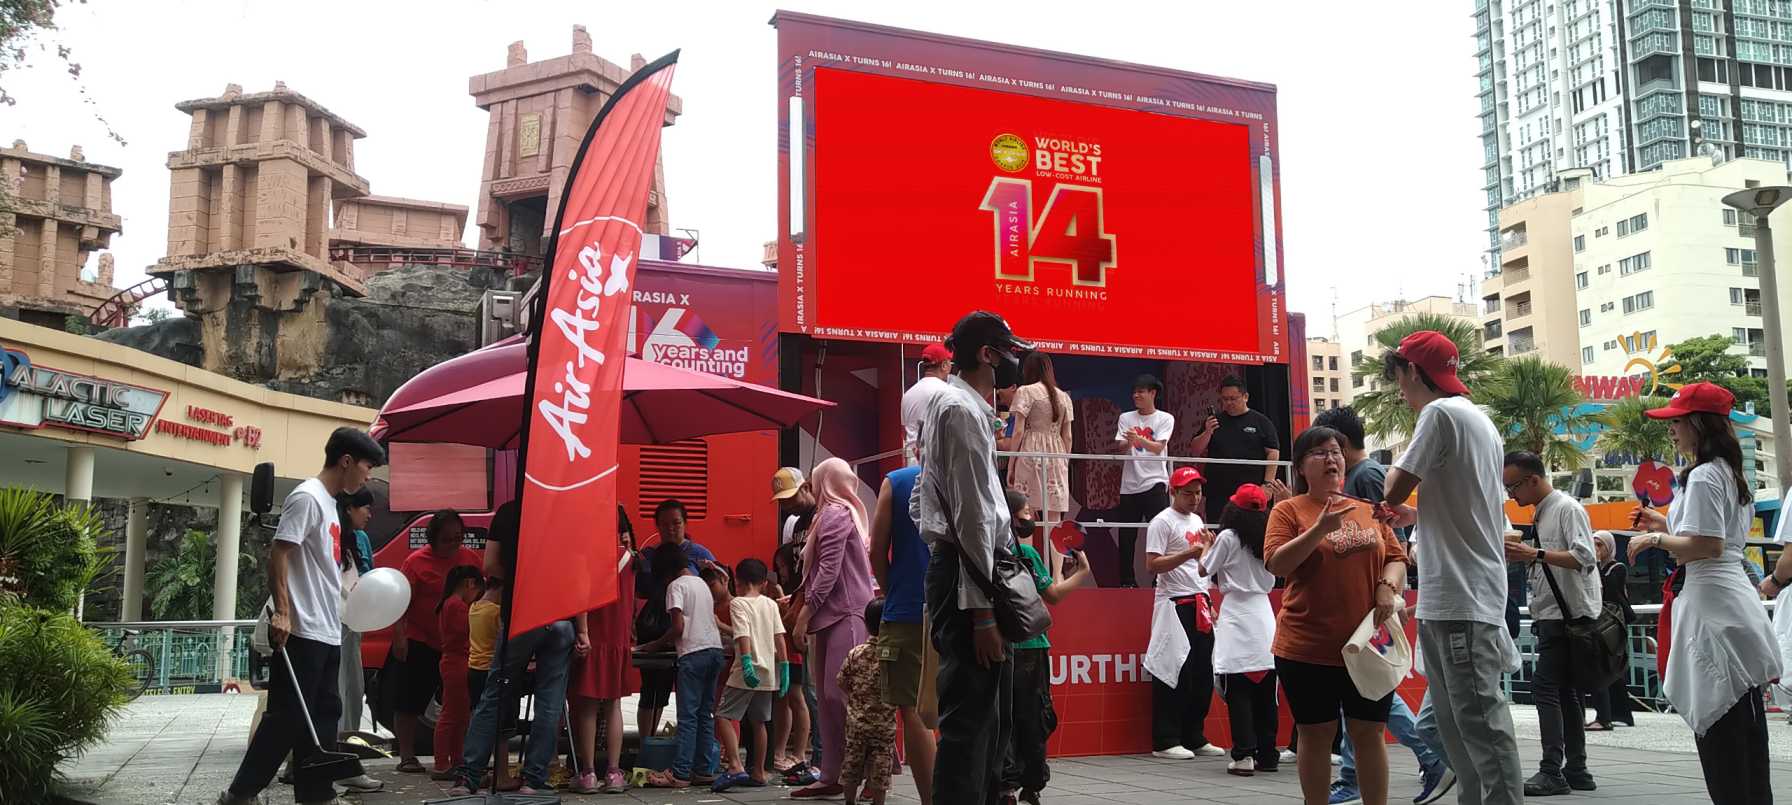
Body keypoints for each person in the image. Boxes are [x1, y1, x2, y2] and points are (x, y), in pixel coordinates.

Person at [1379, 331, 1524, 805]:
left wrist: (1397, 491)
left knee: (1477, 725)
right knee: (1461, 726)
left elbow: (1393, 488)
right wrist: (1420, 515)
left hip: (1461, 595)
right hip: (1461, 593)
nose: (1398, 388)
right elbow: (1475, 507)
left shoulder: (1438, 414)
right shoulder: (1478, 420)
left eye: (1399, 375)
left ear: (1413, 372)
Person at [1627, 382, 1780, 804]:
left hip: (1712, 603)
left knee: (1721, 727)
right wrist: (1665, 525)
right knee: (1743, 734)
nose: (1672, 429)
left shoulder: (1704, 475)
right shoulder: (1727, 472)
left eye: (1677, 421)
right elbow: (1718, 542)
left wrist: (1654, 541)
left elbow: (1707, 546)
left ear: (1697, 423)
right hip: (1729, 600)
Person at [216, 427, 384, 805]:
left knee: (324, 718)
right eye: (367, 466)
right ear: (345, 461)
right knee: (287, 719)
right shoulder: (307, 498)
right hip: (302, 629)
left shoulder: (331, 504)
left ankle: (316, 794)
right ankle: (240, 794)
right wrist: (284, 613)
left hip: (327, 629)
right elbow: (279, 553)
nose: (368, 475)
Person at [911, 310, 1031, 805]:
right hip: (972, 581)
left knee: (990, 723)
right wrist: (982, 609)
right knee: (971, 727)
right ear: (988, 354)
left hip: (967, 574)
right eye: (1009, 353)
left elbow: (925, 500)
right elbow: (974, 519)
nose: (1013, 363)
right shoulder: (959, 411)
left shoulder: (959, 409)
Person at [1314, 406, 1453, 805]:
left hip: (1373, 597)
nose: (1325, 457)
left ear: (1339, 442)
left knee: (1372, 688)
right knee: (1362, 687)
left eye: (1327, 447)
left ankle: (1427, 758)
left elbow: (1385, 538)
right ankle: (1354, 776)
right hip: (1364, 596)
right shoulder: (1358, 476)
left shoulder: (1369, 476)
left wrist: (1384, 589)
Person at [1264, 425, 1408, 805]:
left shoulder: (1366, 508)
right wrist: (1320, 529)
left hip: (1366, 646)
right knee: (1316, 734)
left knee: (1369, 732)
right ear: (1299, 467)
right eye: (1319, 453)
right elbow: (1277, 564)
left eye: (1336, 452)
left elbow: (1396, 558)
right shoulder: (1288, 510)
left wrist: (1387, 587)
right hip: (1307, 648)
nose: (1331, 459)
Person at [446, 501, 577, 797]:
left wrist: (521, 581)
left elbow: (490, 565)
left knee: (495, 694)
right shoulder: (567, 506)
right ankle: (534, 780)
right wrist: (581, 629)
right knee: (550, 702)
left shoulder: (510, 511)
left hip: (523, 615)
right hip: (562, 617)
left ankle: (469, 776)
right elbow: (579, 570)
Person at [1497, 451, 1600, 796]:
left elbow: (1586, 557)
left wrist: (1534, 554)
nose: (1511, 495)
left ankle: (1552, 769)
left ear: (1534, 480)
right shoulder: (1543, 512)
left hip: (1568, 615)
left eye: (1513, 487)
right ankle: (1577, 768)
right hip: (1556, 614)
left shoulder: (1567, 508)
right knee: (1567, 691)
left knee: (1544, 687)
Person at [792, 457, 878, 799]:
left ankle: (871, 771)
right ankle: (834, 773)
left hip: (847, 612)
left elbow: (828, 569)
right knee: (830, 701)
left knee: (840, 696)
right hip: (832, 613)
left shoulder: (836, 515)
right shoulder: (834, 514)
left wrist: (803, 614)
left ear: (823, 481)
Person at [1003, 488, 1092, 804]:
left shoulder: (990, 552)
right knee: (1034, 716)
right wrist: (1082, 573)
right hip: (1031, 646)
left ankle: (1005, 785)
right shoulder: (1027, 555)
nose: (1033, 517)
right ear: (1012, 517)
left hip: (1001, 645)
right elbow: (1052, 595)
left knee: (1005, 717)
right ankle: (1032, 784)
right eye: (1027, 512)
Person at [389, 509, 482, 776]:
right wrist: (399, 636)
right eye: (447, 539)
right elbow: (401, 602)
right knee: (409, 699)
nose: (453, 544)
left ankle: (458, 756)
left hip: (459, 645)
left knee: (459, 705)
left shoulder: (469, 559)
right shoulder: (416, 562)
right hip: (421, 639)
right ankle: (407, 755)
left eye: (458, 538)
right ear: (433, 539)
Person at [1142, 465, 1225, 759]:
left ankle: (1195, 735)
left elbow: (1201, 566)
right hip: (1174, 603)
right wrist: (1191, 553)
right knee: (1174, 668)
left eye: (1198, 492)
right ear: (1173, 492)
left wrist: (1209, 554)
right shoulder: (1162, 522)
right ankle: (1166, 739)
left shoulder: (1198, 520)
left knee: (1202, 671)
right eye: (1188, 493)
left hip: (1200, 600)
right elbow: (1152, 565)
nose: (1194, 498)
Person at [1198, 484, 1280, 777]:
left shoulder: (1228, 537)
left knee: (1239, 690)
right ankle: (1268, 754)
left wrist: (1207, 546)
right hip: (1264, 615)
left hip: (1236, 614)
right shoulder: (1271, 536)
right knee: (1266, 689)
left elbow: (1203, 569)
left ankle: (1243, 755)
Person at [868, 463, 938, 805]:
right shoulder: (970, 471)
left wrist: (891, 588)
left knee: (913, 710)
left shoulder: (897, 481)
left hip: (909, 608)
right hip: (962, 608)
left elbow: (877, 549)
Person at [638, 541, 725, 788]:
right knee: (705, 715)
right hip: (714, 651)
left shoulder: (675, 587)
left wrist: (655, 644)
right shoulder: (702, 584)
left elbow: (678, 628)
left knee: (687, 717)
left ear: (664, 572)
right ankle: (703, 769)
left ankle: (681, 773)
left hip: (693, 655)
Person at [634, 499, 719, 738]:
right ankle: (647, 741)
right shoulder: (649, 555)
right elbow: (638, 590)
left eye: (676, 523)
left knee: (689, 694)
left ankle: (685, 747)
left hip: (687, 634)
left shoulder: (699, 554)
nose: (671, 529)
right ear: (657, 527)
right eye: (664, 524)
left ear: (685, 523)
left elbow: (720, 588)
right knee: (652, 689)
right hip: (656, 627)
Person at [569, 506, 639, 795]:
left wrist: (582, 632)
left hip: (594, 638)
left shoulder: (587, 557)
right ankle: (613, 772)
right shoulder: (632, 559)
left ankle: (587, 773)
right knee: (612, 706)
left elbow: (582, 595)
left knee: (586, 707)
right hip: (617, 640)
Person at [712, 558, 789, 791]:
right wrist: (784, 667)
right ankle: (758, 771)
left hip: (745, 671)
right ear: (764, 582)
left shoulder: (738, 604)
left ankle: (735, 765)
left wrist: (745, 662)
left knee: (723, 715)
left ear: (738, 581)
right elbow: (779, 637)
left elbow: (742, 634)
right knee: (760, 722)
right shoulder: (771, 604)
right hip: (769, 673)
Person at [1192, 375, 1282, 523]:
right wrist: (1207, 432)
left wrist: (1267, 484)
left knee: (1252, 530)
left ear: (1245, 396)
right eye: (1224, 399)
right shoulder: (1215, 421)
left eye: (1233, 399)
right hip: (1219, 491)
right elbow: (1195, 449)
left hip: (1251, 489)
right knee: (1219, 530)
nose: (1229, 403)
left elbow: (1273, 452)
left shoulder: (1261, 421)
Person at [1115, 373, 1175, 588]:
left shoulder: (1165, 418)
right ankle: (1126, 581)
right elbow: (1120, 448)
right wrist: (1129, 442)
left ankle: (1161, 578)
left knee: (1159, 532)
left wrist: (1138, 439)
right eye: (1134, 392)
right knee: (1127, 535)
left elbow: (1159, 447)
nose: (1136, 395)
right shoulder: (1126, 418)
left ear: (1153, 393)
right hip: (1129, 484)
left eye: (1141, 391)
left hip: (1156, 481)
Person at [837, 598, 898, 805]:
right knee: (881, 767)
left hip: (857, 723)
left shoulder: (856, 653)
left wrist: (856, 697)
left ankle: (849, 801)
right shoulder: (894, 656)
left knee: (852, 762)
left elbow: (842, 682)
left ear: (866, 623)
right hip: (884, 725)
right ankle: (877, 802)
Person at [770, 541, 819, 785]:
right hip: (783, 653)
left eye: (783, 566)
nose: (781, 571)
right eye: (777, 567)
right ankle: (781, 750)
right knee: (783, 701)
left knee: (797, 699)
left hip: (794, 653)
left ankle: (799, 752)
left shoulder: (800, 588)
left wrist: (779, 599)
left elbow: (790, 622)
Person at [1008, 351, 1074, 523]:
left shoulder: (1025, 391)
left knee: (1025, 509)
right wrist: (1064, 461)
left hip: (1031, 450)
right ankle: (1052, 550)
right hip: (1057, 454)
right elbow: (1068, 436)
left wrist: (1011, 464)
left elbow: (1018, 432)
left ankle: (1026, 550)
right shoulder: (1064, 397)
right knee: (1054, 511)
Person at [433, 564, 483, 788]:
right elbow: (470, 631)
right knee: (452, 715)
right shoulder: (457, 607)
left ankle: (455, 759)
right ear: (469, 584)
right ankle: (443, 763)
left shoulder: (450, 604)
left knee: (459, 716)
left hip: (455, 662)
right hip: (457, 663)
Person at [334, 488, 377, 743]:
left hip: (352, 623)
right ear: (349, 509)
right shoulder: (331, 537)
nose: (369, 515)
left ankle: (347, 742)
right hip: (334, 622)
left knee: (353, 686)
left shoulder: (357, 539)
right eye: (365, 508)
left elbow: (368, 575)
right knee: (337, 687)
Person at [1583, 531, 1635, 731]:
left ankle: (1613, 714)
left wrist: (1594, 565)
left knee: (1611, 665)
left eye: (1600, 545)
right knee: (1605, 665)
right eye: (1593, 544)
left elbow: (1610, 590)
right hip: (1600, 620)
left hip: (1613, 622)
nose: (1597, 549)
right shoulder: (1596, 568)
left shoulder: (1617, 568)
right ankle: (1613, 713)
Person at [902, 342, 954, 465]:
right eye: (949, 362)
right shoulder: (948, 392)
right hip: (937, 463)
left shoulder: (908, 394)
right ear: (944, 365)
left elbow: (904, 431)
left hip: (912, 462)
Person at [775, 467, 820, 546]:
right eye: (782, 501)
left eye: (791, 497)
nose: (788, 506)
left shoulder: (821, 517)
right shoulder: (798, 524)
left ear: (805, 488)